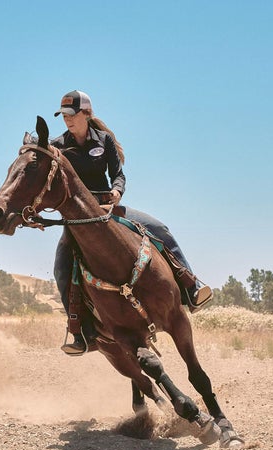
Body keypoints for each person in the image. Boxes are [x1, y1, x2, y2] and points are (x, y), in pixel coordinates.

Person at [50, 90, 212, 355]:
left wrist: (116, 192)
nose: (67, 120)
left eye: (71, 115)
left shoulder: (104, 140)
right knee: (61, 267)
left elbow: (118, 174)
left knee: (160, 229)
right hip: (78, 220)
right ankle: (79, 331)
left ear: (87, 114)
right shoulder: (58, 146)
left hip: (111, 209)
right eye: (64, 116)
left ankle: (191, 286)